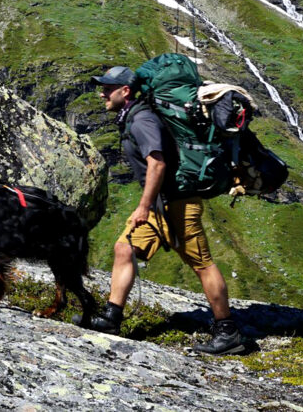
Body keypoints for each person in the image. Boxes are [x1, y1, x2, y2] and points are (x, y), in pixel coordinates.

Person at [87, 65, 243, 355]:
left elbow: (157, 163)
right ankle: (111, 316)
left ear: (125, 91)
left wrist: (143, 206)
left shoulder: (141, 120)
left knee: (201, 264)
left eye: (108, 89)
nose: (102, 94)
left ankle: (227, 331)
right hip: (161, 203)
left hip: (179, 202)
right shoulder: (132, 117)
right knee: (124, 248)